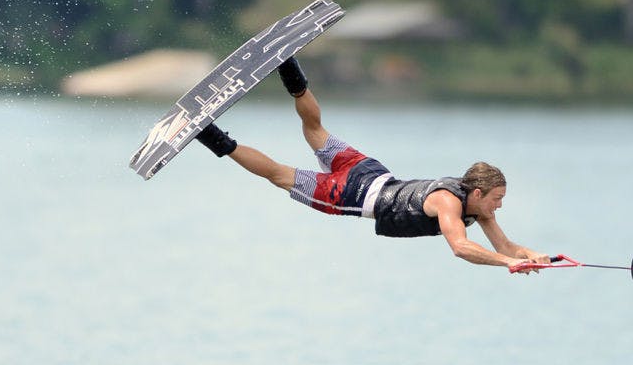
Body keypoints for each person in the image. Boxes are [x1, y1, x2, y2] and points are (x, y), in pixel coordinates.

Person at [195, 58, 549, 272]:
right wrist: (507, 264)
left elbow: (506, 247)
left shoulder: (478, 206)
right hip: (350, 193)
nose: (499, 206)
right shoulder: (449, 202)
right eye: (497, 198)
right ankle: (210, 135)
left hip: (368, 169)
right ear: (477, 191)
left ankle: (289, 68)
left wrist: (535, 257)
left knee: (315, 129)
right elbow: (460, 247)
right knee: (279, 175)